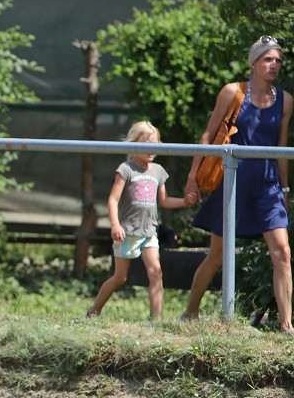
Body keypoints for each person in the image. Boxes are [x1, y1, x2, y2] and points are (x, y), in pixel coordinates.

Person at [183, 36, 293, 332]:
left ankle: (286, 326)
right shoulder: (232, 92)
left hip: (268, 184)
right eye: (268, 59)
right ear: (254, 62)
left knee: (282, 252)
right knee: (217, 255)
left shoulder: (285, 100)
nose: (274, 65)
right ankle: (190, 312)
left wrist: (285, 190)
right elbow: (208, 136)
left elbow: (281, 149)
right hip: (232, 181)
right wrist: (193, 178)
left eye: (279, 60)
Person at [86, 121, 196, 320]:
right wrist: (115, 224)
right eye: (146, 144)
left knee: (156, 273)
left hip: (149, 232)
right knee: (120, 277)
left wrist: (184, 202)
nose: (151, 150)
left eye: (155, 144)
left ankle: (156, 319)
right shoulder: (126, 169)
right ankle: (94, 311)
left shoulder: (158, 171)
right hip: (127, 232)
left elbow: (164, 200)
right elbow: (112, 200)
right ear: (134, 144)